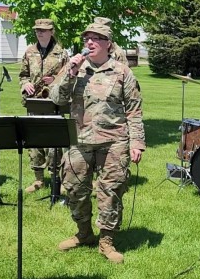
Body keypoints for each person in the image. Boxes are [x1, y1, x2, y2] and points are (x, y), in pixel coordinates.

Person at [50, 20, 145, 263]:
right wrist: (70, 73)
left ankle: (106, 241)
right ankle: (83, 234)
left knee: (110, 191)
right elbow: (56, 98)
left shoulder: (123, 72)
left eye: (96, 38)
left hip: (114, 141)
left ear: (108, 44)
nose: (89, 42)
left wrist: (136, 143)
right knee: (74, 189)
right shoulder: (74, 67)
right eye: (86, 38)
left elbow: (134, 110)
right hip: (79, 139)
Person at [19, 18, 69, 193]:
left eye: (44, 30)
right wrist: (25, 84)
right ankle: (38, 179)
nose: (39, 32)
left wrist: (55, 80)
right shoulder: (29, 52)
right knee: (34, 143)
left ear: (51, 31)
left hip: (53, 103)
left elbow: (68, 78)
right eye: (37, 30)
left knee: (55, 144)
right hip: (34, 103)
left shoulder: (61, 53)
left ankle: (59, 179)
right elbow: (23, 75)